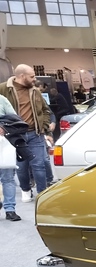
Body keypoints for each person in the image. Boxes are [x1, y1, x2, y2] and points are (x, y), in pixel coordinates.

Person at [0, 64, 53, 202]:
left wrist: (44, 127)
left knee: (39, 165)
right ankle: (25, 189)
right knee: (21, 167)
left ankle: (42, 193)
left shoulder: (35, 91)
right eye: (32, 76)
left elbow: (46, 111)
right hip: (16, 135)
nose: (35, 79)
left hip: (35, 133)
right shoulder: (4, 89)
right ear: (22, 76)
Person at [0, 93, 22, 220]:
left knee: (8, 178)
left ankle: (10, 209)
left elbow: (14, 118)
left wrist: (3, 127)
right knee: (8, 179)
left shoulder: (2, 100)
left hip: (3, 144)